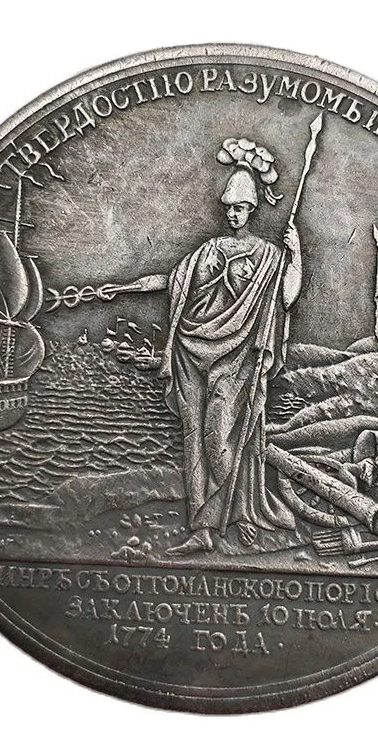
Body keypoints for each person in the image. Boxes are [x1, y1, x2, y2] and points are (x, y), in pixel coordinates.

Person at [96, 149, 302, 556]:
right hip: (192, 353)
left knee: (221, 434)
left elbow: (287, 297)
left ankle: (240, 512)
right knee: (194, 440)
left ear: (252, 209)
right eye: (229, 208)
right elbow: (172, 281)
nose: (233, 214)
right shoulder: (207, 251)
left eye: (240, 208)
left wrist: (295, 254)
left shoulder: (269, 256)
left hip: (237, 359)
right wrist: (123, 288)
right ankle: (204, 529)